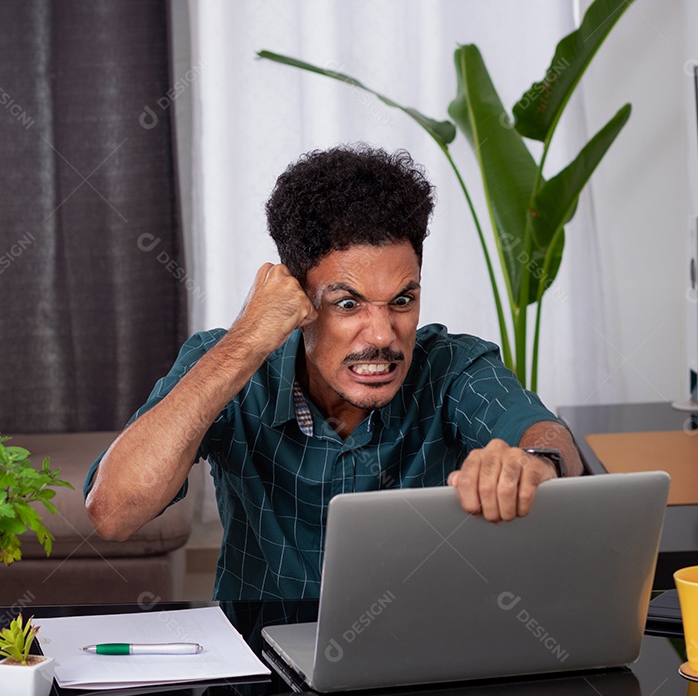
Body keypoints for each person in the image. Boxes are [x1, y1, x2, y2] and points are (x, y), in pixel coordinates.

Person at [84, 144, 582, 600]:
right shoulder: (227, 363)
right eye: (348, 304)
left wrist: (536, 463)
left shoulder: (453, 365)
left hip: (420, 667)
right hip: (259, 676)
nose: (384, 335)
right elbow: (113, 512)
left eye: (402, 300)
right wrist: (248, 341)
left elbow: (547, 436)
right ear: (296, 300)